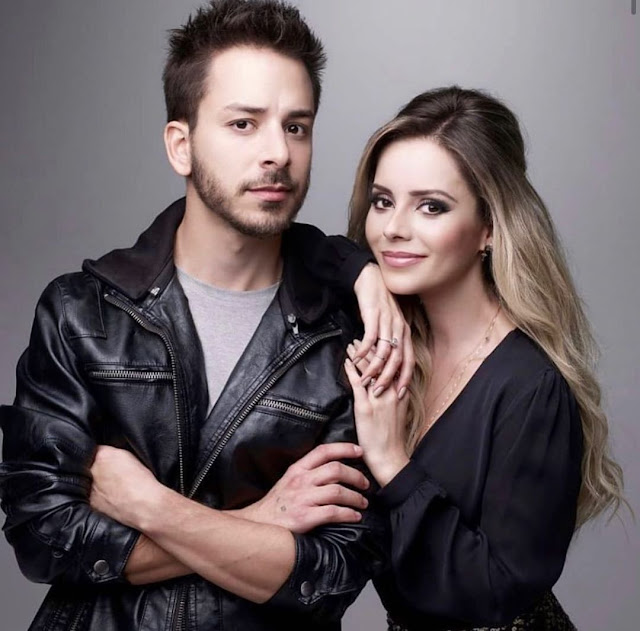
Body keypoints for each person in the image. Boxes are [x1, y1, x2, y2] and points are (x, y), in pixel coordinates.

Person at [0, 2, 412, 630]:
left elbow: (332, 575)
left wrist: (150, 506)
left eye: (296, 127)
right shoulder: (82, 314)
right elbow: (43, 536)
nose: (278, 152)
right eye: (244, 124)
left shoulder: (349, 337)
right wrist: (262, 521)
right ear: (181, 145)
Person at [341, 86, 625, 630]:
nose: (393, 228)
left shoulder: (531, 386)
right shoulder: (390, 339)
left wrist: (392, 464)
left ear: (488, 228)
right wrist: (363, 274)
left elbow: (497, 591)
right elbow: (305, 249)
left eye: (431, 206)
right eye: (382, 201)